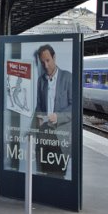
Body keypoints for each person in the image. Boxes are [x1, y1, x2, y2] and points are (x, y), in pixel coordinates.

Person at [34, 44, 72, 177]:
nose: (45, 65)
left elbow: (74, 107)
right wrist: (38, 118)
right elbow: (39, 105)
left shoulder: (67, 78)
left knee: (58, 173)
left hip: (60, 136)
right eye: (42, 62)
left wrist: (58, 116)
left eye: (48, 60)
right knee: (43, 171)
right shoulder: (41, 81)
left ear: (54, 57)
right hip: (44, 134)